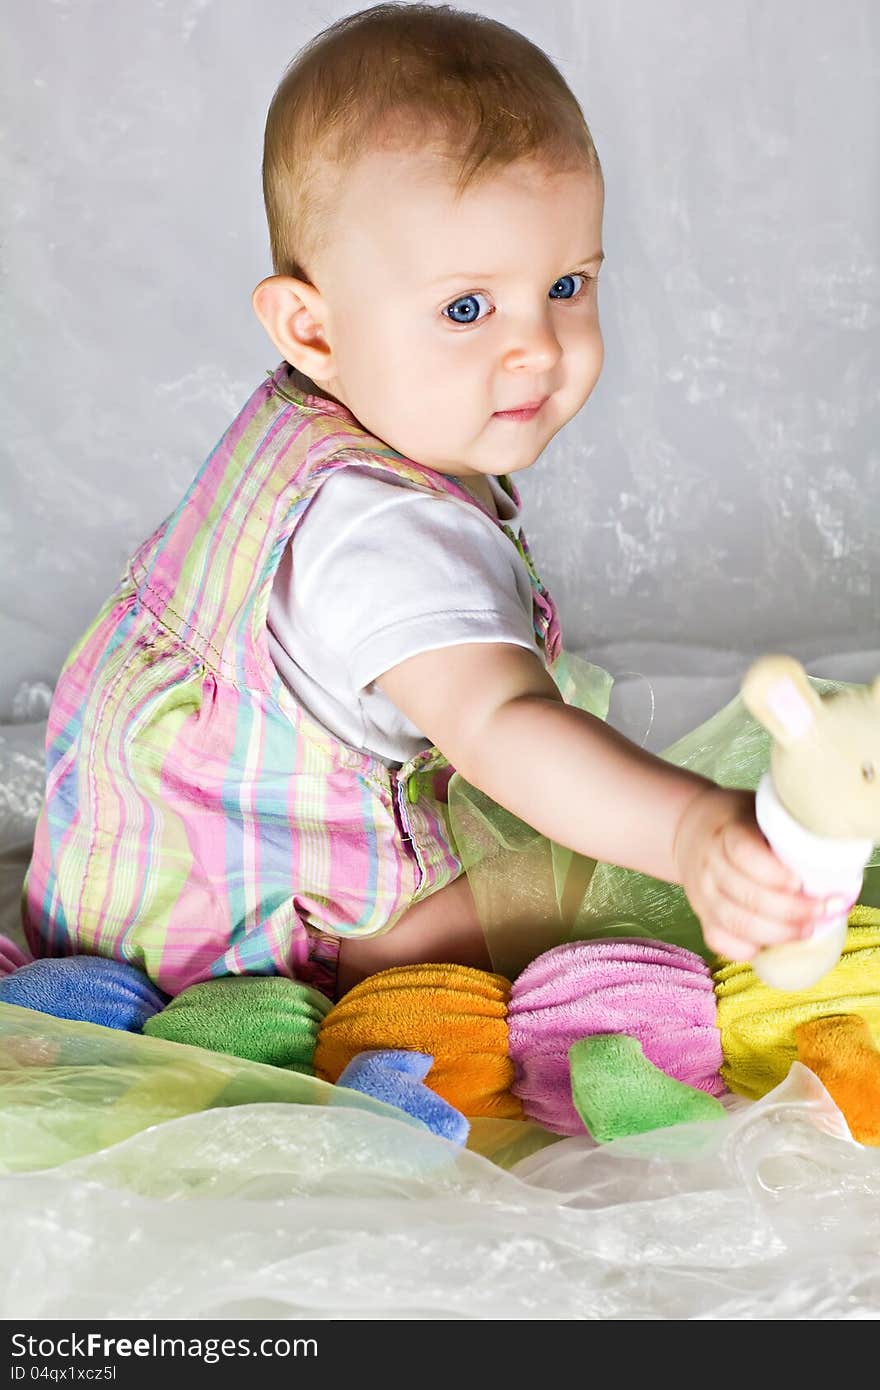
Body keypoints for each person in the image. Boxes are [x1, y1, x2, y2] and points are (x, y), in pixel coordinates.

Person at [21, 4, 848, 1013]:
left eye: (565, 284)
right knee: (585, 899)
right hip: (239, 931)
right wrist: (685, 831)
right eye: (467, 308)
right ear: (310, 327)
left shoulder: (317, 428)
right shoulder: (387, 533)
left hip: (139, 862)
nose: (536, 346)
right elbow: (500, 721)